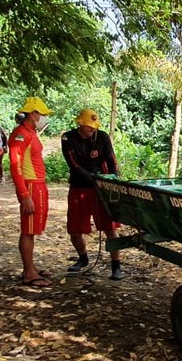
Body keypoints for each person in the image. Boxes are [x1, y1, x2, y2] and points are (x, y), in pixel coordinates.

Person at [59, 109, 125, 280]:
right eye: (88, 127)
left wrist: (114, 180)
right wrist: (90, 177)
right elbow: (73, 164)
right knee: (75, 228)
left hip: (101, 187)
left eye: (94, 127)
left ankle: (116, 265)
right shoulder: (68, 138)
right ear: (80, 124)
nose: (92, 130)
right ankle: (83, 258)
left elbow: (111, 159)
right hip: (79, 186)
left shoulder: (102, 137)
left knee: (110, 227)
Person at [9, 96, 53, 286]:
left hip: (39, 184)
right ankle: (29, 273)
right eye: (42, 114)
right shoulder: (21, 134)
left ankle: (31, 267)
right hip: (31, 185)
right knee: (28, 230)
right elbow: (15, 165)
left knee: (33, 229)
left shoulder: (31, 132)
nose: (44, 117)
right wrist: (25, 195)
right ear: (33, 114)